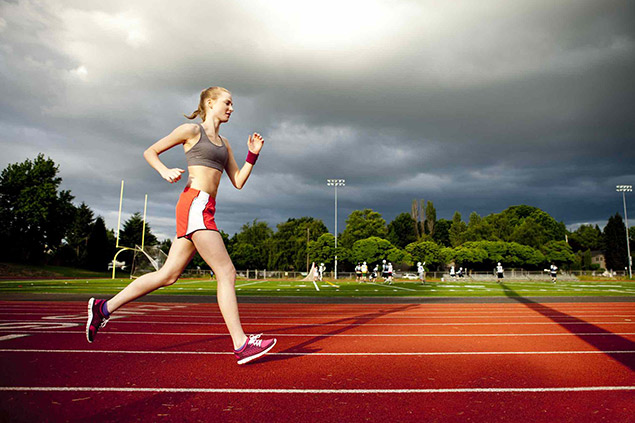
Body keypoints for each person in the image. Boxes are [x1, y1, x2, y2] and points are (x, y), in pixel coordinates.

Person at [85, 86, 276, 365]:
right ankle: (241, 343)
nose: (231, 108)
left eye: (232, 104)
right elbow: (150, 151)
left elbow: (237, 181)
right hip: (195, 203)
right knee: (226, 272)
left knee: (168, 275)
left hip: (204, 207)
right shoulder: (191, 131)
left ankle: (104, 308)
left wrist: (253, 155)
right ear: (210, 103)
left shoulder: (225, 143)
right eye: (227, 102)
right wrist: (165, 170)